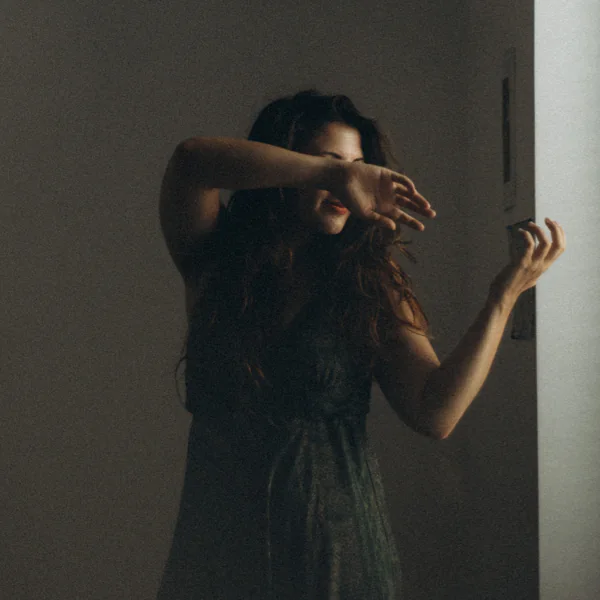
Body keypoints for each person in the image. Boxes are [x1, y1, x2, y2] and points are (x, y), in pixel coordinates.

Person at [156, 89, 565, 599]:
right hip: (214, 563)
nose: (350, 182)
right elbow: (192, 161)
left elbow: (435, 412)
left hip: (337, 562)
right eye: (331, 165)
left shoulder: (370, 282)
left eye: (359, 168)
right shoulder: (213, 258)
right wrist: (332, 174)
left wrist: (502, 300)